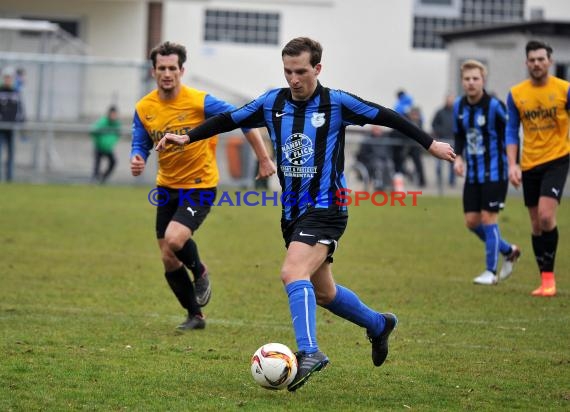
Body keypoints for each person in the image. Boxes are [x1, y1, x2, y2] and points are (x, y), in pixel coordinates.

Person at [156, 37, 455, 390]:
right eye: (287, 71)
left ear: (317, 68)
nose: (294, 79)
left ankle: (310, 352)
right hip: (292, 212)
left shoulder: (337, 103)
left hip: (328, 208)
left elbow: (387, 116)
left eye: (301, 71)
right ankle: (378, 324)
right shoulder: (272, 102)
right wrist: (187, 137)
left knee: (292, 271)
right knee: (324, 293)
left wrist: (429, 143)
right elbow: (228, 119)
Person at [130, 41, 276, 330]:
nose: (167, 73)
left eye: (173, 68)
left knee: (174, 239)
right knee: (169, 258)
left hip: (199, 185)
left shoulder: (200, 101)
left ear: (182, 70)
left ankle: (201, 271)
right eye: (162, 68)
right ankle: (195, 315)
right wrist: (137, 155)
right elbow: (141, 138)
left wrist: (263, 158)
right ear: (154, 71)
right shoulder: (144, 107)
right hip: (166, 186)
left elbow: (243, 118)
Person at [506, 40, 569, 297]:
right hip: (529, 162)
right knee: (535, 224)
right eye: (532, 60)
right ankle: (544, 279)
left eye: (541, 59)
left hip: (557, 158)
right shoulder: (516, 94)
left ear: (550, 61)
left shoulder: (564, 90)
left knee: (545, 216)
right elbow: (511, 131)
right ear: (526, 63)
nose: (537, 64)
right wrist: (513, 164)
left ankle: (549, 279)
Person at [453, 59, 520, 286]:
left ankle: (490, 272)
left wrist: (514, 165)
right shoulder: (459, 106)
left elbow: (511, 134)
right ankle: (508, 250)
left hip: (496, 172)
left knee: (488, 219)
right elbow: (459, 135)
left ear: (483, 80)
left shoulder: (495, 106)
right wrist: (459, 158)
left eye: (475, 79)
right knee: (472, 222)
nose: (471, 83)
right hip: (473, 174)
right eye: (467, 79)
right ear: (462, 81)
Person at [0, 67, 25, 182]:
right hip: (1, 127)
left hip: (12, 127)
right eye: (6, 77)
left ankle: (10, 177)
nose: (8, 80)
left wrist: (21, 122)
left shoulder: (16, 92)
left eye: (9, 77)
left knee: (11, 153)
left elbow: (21, 110)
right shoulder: (1, 91)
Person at [91, 105, 121, 183]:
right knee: (97, 164)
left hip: (108, 148)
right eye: (112, 114)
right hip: (99, 147)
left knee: (113, 162)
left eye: (115, 114)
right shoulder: (103, 122)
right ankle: (95, 179)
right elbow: (93, 131)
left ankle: (103, 177)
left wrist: (110, 143)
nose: (113, 116)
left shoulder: (116, 124)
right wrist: (99, 142)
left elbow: (118, 134)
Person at [432, 94, 456, 190]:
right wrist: (440, 131)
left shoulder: (456, 112)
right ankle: (439, 180)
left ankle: (451, 181)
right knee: (438, 163)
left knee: (452, 162)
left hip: (453, 140)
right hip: (441, 140)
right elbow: (434, 124)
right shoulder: (440, 112)